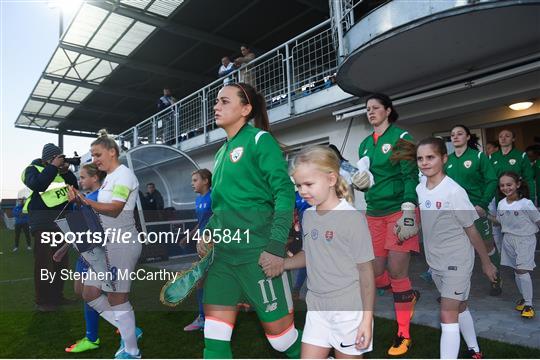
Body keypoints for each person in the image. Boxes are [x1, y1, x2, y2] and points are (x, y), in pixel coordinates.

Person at [196, 83, 301, 358]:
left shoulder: (259, 140)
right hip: (223, 260)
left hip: (259, 257)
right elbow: (222, 208)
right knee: (215, 339)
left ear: (245, 109)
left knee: (282, 340)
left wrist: (276, 247)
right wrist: (207, 233)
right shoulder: (220, 153)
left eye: (224, 101)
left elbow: (284, 192)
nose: (216, 107)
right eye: (216, 101)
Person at [285, 146, 375, 358]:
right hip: (316, 306)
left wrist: (366, 320)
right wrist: (282, 264)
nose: (302, 191)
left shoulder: (352, 218)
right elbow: (310, 255)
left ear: (331, 180)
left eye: (308, 184)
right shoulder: (308, 216)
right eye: (298, 185)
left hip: (348, 310)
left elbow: (366, 273)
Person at [416, 137, 497, 359]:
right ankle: (475, 350)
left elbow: (472, 229)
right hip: (435, 261)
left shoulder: (454, 192)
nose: (424, 162)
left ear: (444, 159)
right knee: (459, 306)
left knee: (447, 312)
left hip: (457, 260)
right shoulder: (420, 188)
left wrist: (486, 262)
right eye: (420, 158)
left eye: (430, 157)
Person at [352, 93, 420, 356]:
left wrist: (408, 208)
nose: (370, 112)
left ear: (388, 111)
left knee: (397, 273)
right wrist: (363, 184)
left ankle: (403, 334)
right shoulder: (365, 144)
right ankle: (408, 296)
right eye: (367, 109)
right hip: (373, 213)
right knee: (376, 274)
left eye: (375, 108)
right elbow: (368, 178)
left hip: (398, 211)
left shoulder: (401, 138)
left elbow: (409, 175)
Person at [67, 130, 143, 359]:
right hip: (108, 245)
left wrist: (84, 200)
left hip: (123, 243)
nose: (94, 160)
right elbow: (100, 215)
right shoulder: (109, 176)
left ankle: (132, 351)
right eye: (92, 155)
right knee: (89, 292)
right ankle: (130, 329)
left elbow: (116, 208)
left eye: (97, 154)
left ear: (112, 152)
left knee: (117, 298)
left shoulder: (124, 175)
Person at [54, 163, 106, 353]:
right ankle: (124, 322)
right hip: (83, 253)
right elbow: (79, 227)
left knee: (90, 295)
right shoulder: (82, 200)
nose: (79, 181)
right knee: (80, 291)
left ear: (95, 178)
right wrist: (63, 248)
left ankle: (93, 337)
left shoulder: (100, 198)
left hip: (98, 253)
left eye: (83, 177)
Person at [22, 143, 79, 312]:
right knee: (44, 262)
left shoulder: (59, 172)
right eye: (58, 157)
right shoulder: (31, 169)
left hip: (62, 221)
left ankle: (57, 296)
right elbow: (38, 185)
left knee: (61, 262)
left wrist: (66, 172)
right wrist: (53, 167)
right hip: (42, 221)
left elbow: (73, 189)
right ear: (50, 158)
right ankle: (43, 301)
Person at [445, 125, 500, 296]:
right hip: (454, 212)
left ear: (468, 137)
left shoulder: (478, 156)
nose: (455, 137)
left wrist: (482, 204)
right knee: (455, 248)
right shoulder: (447, 160)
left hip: (476, 209)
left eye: (460, 134)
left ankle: (496, 279)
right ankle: (453, 287)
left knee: (487, 245)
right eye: (452, 134)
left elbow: (492, 180)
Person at [490, 172, 540, 319]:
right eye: (502, 185)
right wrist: (484, 215)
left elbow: (537, 220)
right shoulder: (501, 203)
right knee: (516, 271)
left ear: (517, 184)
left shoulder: (526, 203)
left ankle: (529, 305)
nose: (505, 188)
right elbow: (500, 221)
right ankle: (524, 299)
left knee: (522, 270)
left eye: (509, 184)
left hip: (525, 239)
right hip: (508, 239)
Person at [182, 169, 213, 332]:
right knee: (202, 280)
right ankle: (204, 317)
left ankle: (207, 318)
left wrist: (211, 238)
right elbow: (201, 222)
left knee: (207, 280)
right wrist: (190, 236)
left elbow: (221, 219)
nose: (192, 183)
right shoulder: (198, 200)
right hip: (202, 245)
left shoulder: (214, 196)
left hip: (213, 244)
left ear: (206, 180)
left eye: (195, 180)